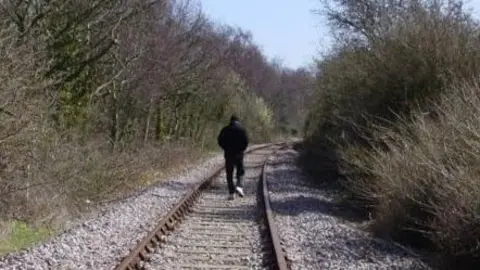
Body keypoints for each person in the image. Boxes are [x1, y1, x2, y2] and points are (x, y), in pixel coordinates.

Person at [217, 115, 249, 200]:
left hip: (228, 154)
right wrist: (241, 149)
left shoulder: (225, 129)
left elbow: (220, 141)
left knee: (229, 173)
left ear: (230, 121)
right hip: (239, 154)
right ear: (238, 121)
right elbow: (246, 142)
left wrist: (225, 148)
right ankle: (239, 186)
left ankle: (231, 193)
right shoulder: (242, 130)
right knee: (240, 171)